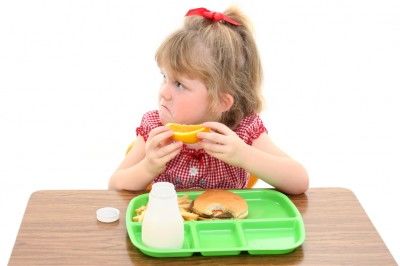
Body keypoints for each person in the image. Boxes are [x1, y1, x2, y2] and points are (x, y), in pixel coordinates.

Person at [109, 7, 309, 194]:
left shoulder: (243, 130)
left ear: (222, 101)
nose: (164, 92)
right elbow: (114, 186)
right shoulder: (155, 129)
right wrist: (148, 167)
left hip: (227, 230)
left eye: (179, 84)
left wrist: (244, 155)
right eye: (164, 77)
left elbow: (299, 181)